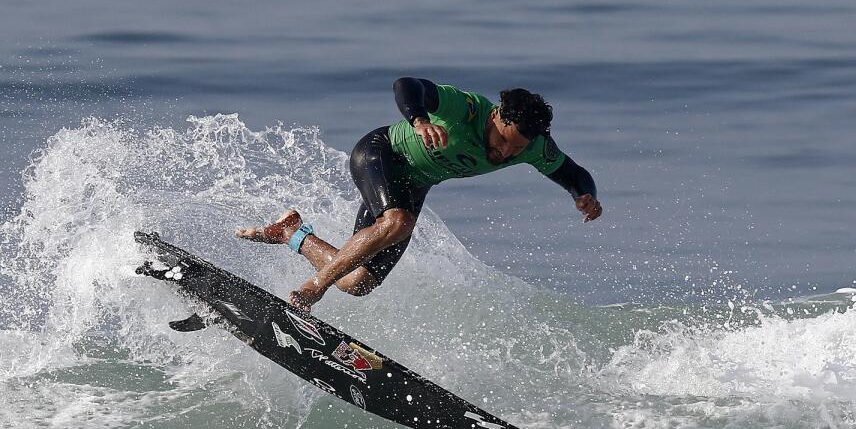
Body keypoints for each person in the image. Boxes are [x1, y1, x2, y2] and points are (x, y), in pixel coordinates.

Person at [236, 77, 602, 311]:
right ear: (496, 119)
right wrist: (420, 119)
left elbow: (574, 173)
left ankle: (290, 231)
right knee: (398, 221)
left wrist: (584, 195)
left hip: (413, 184)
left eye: (516, 151)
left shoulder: (533, 146)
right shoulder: (467, 108)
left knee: (358, 282)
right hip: (381, 154)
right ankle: (310, 291)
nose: (505, 154)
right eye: (504, 142)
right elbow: (407, 85)